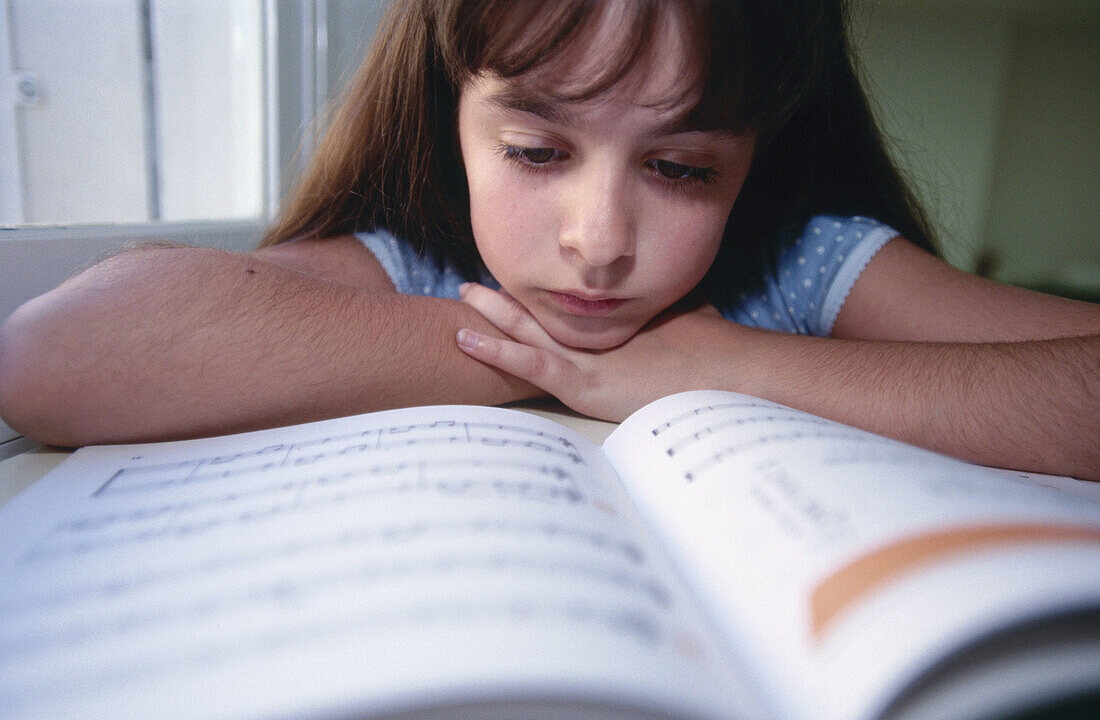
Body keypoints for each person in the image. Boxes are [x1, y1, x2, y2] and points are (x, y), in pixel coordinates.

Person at [0, 0, 1097, 479]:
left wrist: (725, 366)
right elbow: (51, 358)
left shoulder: (805, 264)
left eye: (678, 168)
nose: (598, 242)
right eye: (535, 152)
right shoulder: (416, 260)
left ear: (756, 153)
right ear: (451, 120)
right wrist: (552, 361)